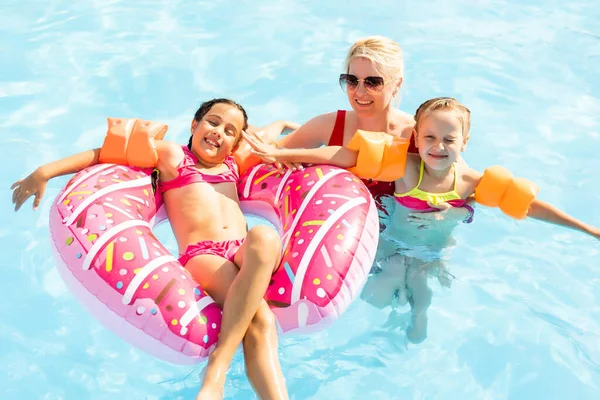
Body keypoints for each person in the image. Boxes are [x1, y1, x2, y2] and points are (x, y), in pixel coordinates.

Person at [242, 96, 600, 343]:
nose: (438, 146)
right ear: (416, 137)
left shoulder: (472, 183)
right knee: (380, 292)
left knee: (421, 288)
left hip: (433, 250)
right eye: (429, 137)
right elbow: (344, 156)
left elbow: (530, 206)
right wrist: (282, 152)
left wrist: (588, 230)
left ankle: (419, 316)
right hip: (392, 243)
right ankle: (405, 312)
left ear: (466, 140)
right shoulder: (405, 167)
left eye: (449, 139)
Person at [11, 98, 291, 400]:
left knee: (265, 237)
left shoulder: (234, 165)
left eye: (230, 131)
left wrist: (288, 125)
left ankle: (220, 367)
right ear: (194, 125)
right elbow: (103, 153)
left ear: (235, 144)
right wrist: (45, 172)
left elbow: (266, 135)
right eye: (213, 122)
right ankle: (217, 370)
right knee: (261, 322)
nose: (218, 132)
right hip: (205, 255)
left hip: (243, 250)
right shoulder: (173, 156)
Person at [269, 35, 474, 228]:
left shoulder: (421, 135)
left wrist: (454, 214)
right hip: (343, 234)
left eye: (373, 82)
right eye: (351, 80)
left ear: (397, 84)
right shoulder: (330, 126)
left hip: (401, 237)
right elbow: (269, 154)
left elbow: (469, 189)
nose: (359, 92)